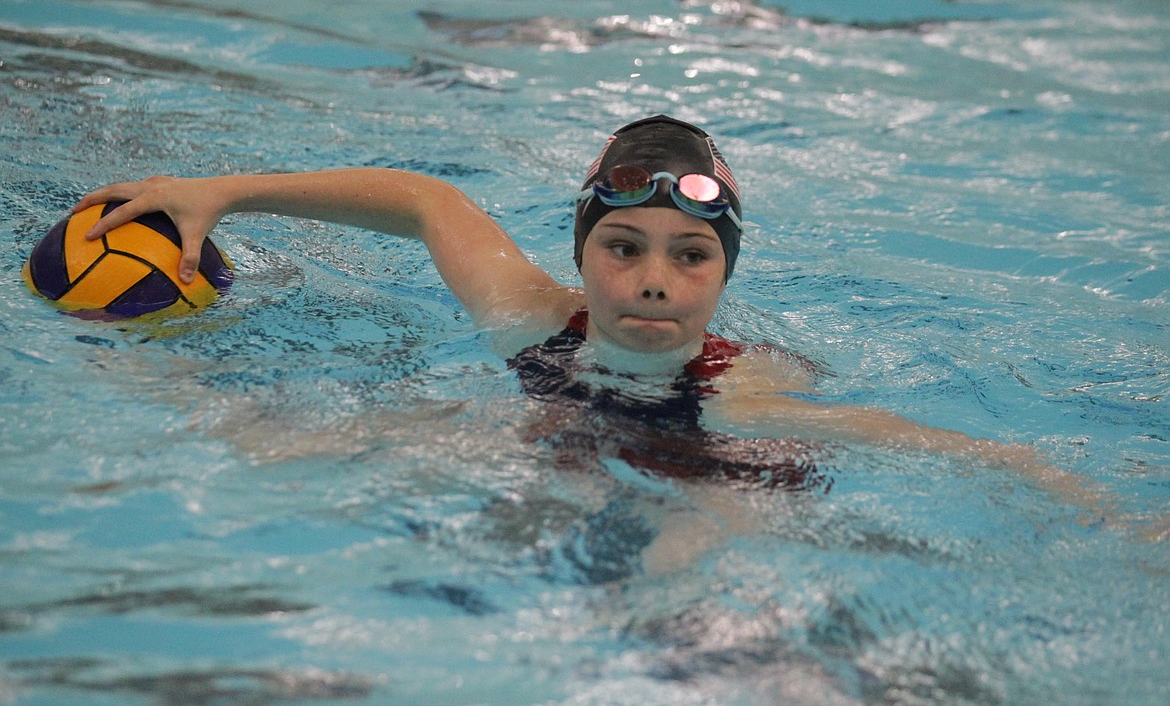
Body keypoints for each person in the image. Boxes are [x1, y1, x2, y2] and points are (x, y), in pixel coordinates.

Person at [74, 115, 1111, 523]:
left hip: (706, 499)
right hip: (551, 465)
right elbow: (425, 200)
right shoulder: (535, 318)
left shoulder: (738, 386)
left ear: (722, 278)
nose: (653, 280)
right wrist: (222, 192)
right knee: (263, 442)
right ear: (581, 259)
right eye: (624, 249)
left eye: (690, 256)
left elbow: (944, 447)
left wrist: (1097, 506)